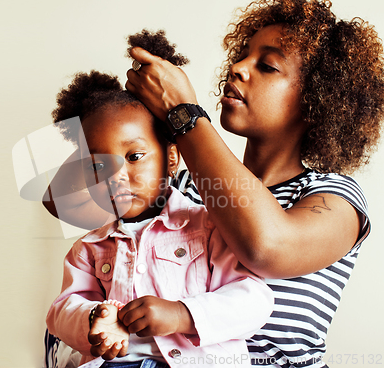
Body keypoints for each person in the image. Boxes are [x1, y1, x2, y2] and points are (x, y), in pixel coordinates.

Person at [43, 0, 384, 368]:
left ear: (318, 99)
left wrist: (184, 115)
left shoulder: (332, 195)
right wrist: (114, 126)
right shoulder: (182, 187)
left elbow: (267, 249)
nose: (237, 67)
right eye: (243, 54)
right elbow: (59, 202)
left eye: (267, 65)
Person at [45, 65, 274, 368]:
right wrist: (92, 317)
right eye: (98, 166)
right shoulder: (88, 248)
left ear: (171, 158)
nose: (116, 177)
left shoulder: (208, 227)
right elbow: (60, 312)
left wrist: (181, 314)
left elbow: (254, 301)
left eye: (134, 157)